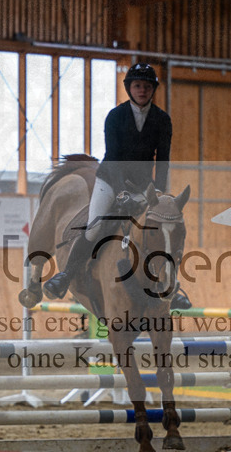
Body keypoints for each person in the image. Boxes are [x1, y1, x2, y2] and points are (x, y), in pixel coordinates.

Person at [44, 62, 192, 309]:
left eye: (146, 86)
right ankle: (66, 276)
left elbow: (163, 159)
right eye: (137, 86)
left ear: (152, 89)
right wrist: (122, 192)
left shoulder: (162, 120)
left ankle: (171, 287)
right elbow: (113, 156)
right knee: (95, 227)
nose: (142, 90)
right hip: (110, 180)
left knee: (161, 229)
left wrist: (159, 193)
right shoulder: (115, 116)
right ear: (129, 88)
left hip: (144, 185)